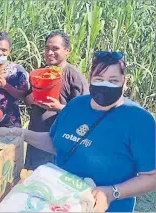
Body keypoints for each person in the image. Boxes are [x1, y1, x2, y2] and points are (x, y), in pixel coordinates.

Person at [22, 51, 156, 212]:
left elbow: (151, 176)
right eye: (99, 79)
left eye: (113, 80)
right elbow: (56, 141)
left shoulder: (139, 120)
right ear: (90, 79)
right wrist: (22, 134)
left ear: (124, 81)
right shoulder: (75, 105)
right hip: (61, 200)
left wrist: (112, 193)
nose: (105, 85)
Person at [24, 30, 89, 170]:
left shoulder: (73, 76)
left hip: (60, 144)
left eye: (55, 49)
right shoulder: (40, 73)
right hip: (36, 140)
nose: (49, 52)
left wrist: (59, 107)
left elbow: (85, 112)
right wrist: (32, 99)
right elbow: (27, 100)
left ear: (67, 51)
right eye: (47, 48)